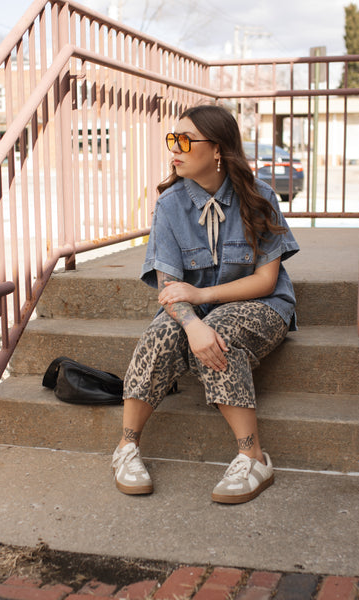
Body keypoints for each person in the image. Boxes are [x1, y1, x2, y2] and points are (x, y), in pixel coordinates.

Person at [112, 104, 299, 504]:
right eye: (172, 140)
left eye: (185, 140)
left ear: (217, 149)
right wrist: (193, 323)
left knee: (221, 330)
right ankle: (126, 447)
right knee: (162, 331)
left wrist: (202, 298)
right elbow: (169, 288)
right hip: (195, 312)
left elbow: (266, 280)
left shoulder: (260, 197)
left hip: (263, 306)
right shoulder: (169, 205)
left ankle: (254, 457)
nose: (174, 149)